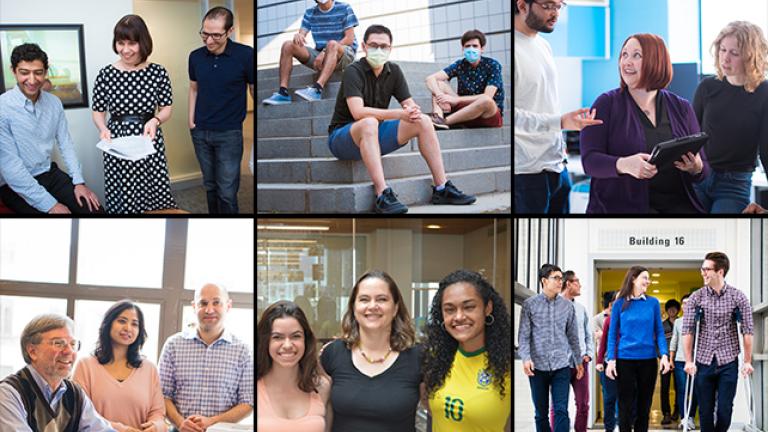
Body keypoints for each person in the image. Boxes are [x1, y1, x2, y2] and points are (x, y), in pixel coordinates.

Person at [326, 24, 476, 214]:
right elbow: (358, 112)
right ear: (364, 47)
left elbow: (409, 104)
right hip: (343, 137)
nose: (378, 50)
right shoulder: (353, 71)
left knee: (422, 120)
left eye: (383, 46)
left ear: (390, 48)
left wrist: (413, 111)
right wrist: (399, 113)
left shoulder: (394, 71)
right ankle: (382, 194)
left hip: (373, 135)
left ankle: (442, 188)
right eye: (373, 45)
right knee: (369, 121)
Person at [580, 33, 710, 213]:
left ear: (656, 61)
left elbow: (704, 170)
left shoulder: (682, 107)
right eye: (624, 55)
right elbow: (589, 161)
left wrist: (696, 167)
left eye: (636, 55)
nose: (627, 62)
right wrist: (624, 165)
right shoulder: (605, 104)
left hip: (676, 210)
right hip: (621, 212)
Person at [514, 0, 603, 214]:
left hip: (556, 166)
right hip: (526, 173)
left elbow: (544, 104)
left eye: (559, 6)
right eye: (547, 6)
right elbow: (510, 116)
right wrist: (561, 122)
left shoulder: (543, 45)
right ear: (522, 5)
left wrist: (561, 136)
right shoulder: (513, 51)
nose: (555, 14)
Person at [0, 43, 102, 214]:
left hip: (49, 173)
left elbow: (65, 144)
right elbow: (12, 169)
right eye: (24, 72)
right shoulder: (2, 107)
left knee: (95, 212)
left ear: (45, 72)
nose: (32, 80)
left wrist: (78, 182)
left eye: (38, 73)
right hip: (14, 185)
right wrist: (51, 205)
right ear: (13, 71)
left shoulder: (54, 103)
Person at [92, 14, 177, 214]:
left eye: (132, 43)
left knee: (153, 190)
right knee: (125, 192)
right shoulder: (106, 74)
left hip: (148, 138)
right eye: (120, 43)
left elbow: (166, 109)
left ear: (143, 42)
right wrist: (103, 128)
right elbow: (98, 112)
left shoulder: (158, 72)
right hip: (118, 140)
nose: (125, 50)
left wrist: (155, 120)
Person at [319, 270, 424, 432]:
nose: (372, 306)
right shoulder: (332, 354)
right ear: (354, 308)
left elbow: (435, 411)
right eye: (364, 299)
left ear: (395, 308)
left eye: (381, 299)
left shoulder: (418, 357)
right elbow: (322, 414)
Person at [693, 21, 768, 213]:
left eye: (734, 53)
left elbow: (766, 149)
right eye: (722, 50)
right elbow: (691, 136)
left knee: (723, 239)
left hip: (733, 183)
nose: (725, 58)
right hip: (699, 175)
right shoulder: (707, 87)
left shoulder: (763, 92)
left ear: (751, 57)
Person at [422, 270, 511, 432]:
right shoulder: (435, 359)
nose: (459, 316)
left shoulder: (507, 364)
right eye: (449, 309)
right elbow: (430, 407)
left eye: (469, 307)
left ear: (487, 308)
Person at [159, 284, 253, 432]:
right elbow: (162, 394)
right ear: (194, 307)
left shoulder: (243, 350)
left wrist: (212, 422)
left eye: (216, 302)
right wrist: (181, 423)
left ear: (228, 306)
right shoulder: (173, 345)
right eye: (203, 303)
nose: (209, 310)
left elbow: (248, 402)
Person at [188, 7, 254, 214]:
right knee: (210, 186)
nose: (209, 40)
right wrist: (191, 121)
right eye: (205, 34)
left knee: (226, 192)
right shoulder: (195, 57)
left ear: (230, 31)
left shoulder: (245, 55)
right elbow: (193, 88)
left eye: (216, 35)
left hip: (229, 133)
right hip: (200, 131)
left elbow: (254, 90)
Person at [0, 314, 115, 431]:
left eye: (73, 344)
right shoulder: (9, 393)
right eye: (58, 343)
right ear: (32, 351)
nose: (69, 351)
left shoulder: (74, 394)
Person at [682, 252, 754, 432]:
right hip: (703, 361)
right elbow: (688, 330)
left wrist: (747, 361)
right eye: (702, 269)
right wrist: (689, 360)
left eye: (707, 269)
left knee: (725, 410)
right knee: (705, 412)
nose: (703, 273)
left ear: (720, 272)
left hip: (728, 361)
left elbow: (747, 330)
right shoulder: (696, 298)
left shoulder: (738, 297)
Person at [72, 300, 166, 432]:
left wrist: (155, 426)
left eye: (134, 324)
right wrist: (122, 430)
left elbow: (158, 413)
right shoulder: (85, 366)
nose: (128, 328)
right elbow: (81, 414)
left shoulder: (149, 369)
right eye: (122, 321)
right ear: (108, 324)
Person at [605, 266, 671, 432]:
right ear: (633, 278)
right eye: (645, 278)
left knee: (644, 406)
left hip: (648, 361)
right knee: (625, 406)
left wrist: (664, 355)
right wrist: (611, 360)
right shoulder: (619, 303)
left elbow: (659, 332)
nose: (648, 281)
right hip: (624, 360)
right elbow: (612, 334)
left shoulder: (653, 303)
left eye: (648, 278)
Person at [517, 264, 582, 432]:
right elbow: (523, 336)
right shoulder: (529, 305)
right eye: (556, 278)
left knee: (561, 410)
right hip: (537, 367)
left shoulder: (567, 306)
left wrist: (578, 361)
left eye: (561, 278)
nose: (560, 281)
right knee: (541, 413)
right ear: (544, 281)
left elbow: (573, 337)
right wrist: (526, 358)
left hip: (561, 365)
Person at [262, 0, 357, 104]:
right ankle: (283, 93)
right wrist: (299, 36)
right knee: (288, 45)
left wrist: (325, 52)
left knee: (332, 44)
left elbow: (349, 39)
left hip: (344, 53)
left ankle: (317, 89)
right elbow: (302, 34)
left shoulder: (344, 7)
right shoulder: (310, 12)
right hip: (321, 56)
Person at [257, 301, 331, 432]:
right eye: (277, 337)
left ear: (305, 340)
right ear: (265, 341)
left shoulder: (322, 387)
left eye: (296, 336)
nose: (287, 345)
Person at [425, 29, 504, 129]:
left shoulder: (493, 65)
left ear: (482, 48)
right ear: (463, 48)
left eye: (475, 46)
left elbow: (487, 96)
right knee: (439, 84)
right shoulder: (460, 64)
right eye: (467, 46)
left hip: (487, 114)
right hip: (464, 109)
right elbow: (430, 78)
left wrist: (455, 99)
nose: (471, 49)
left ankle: (445, 122)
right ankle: (437, 117)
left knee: (486, 100)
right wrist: (441, 96)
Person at [548, 271, 593, 432]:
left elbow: (588, 335)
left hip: (580, 363)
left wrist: (588, 354)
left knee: (583, 405)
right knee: (558, 406)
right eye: (577, 281)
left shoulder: (581, 309)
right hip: (560, 365)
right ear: (568, 284)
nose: (580, 285)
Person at [669, 293, 698, 430]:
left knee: (695, 390)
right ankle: (684, 418)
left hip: (696, 361)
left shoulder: (699, 320)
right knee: (681, 390)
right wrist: (671, 359)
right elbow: (674, 340)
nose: (686, 305)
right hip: (680, 361)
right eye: (684, 303)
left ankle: (691, 417)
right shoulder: (678, 322)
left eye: (688, 303)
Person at [594, 292, 620, 431]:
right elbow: (603, 342)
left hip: (626, 363)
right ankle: (609, 428)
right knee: (609, 398)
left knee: (626, 398)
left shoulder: (629, 318)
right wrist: (599, 361)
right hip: (608, 362)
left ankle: (623, 425)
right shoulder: (609, 320)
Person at [660, 299, 680, 425]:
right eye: (669, 308)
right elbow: (657, 342)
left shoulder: (682, 323)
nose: (672, 310)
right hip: (665, 361)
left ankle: (677, 411)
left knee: (680, 387)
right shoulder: (662, 325)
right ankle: (666, 413)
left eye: (674, 308)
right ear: (667, 311)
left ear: (678, 310)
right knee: (664, 388)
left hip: (679, 360)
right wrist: (661, 357)